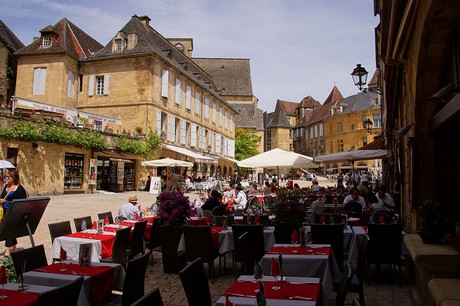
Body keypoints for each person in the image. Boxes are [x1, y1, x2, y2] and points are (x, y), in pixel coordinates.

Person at [0, 169, 27, 257]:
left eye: (9, 177)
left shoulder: (20, 189)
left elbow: (23, 202)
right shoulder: (6, 187)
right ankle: (14, 248)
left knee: (9, 229)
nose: (7, 179)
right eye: (7, 177)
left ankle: (8, 251)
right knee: (7, 229)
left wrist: (8, 202)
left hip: (14, 212)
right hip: (4, 211)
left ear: (14, 178)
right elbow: (2, 196)